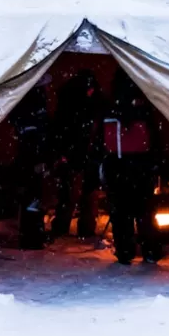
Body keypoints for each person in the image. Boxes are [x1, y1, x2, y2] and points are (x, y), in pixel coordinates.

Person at [102, 68, 163, 265]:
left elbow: (99, 140)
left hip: (120, 165)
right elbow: (155, 138)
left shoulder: (109, 108)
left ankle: (126, 251)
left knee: (122, 214)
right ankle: (148, 250)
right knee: (143, 212)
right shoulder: (144, 107)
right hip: (138, 166)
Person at [52, 69, 105, 239]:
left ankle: (68, 227)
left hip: (80, 154)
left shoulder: (71, 103)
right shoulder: (89, 104)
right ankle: (80, 228)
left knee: (74, 193)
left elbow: (61, 128)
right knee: (77, 192)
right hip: (81, 154)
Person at [8, 78, 53, 250]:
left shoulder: (25, 103)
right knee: (33, 197)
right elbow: (38, 132)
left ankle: (31, 235)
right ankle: (32, 237)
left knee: (31, 196)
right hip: (32, 155)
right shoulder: (35, 104)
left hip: (28, 155)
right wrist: (40, 157)